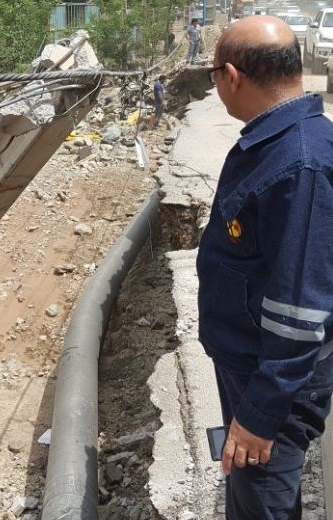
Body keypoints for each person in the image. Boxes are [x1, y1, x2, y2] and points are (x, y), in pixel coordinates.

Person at [197, 15, 333, 519]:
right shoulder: (277, 141)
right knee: (249, 494)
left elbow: (301, 306)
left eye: (214, 75)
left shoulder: (300, 163)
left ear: (231, 76)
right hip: (252, 366)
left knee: (263, 502)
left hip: (273, 380)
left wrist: (259, 414)